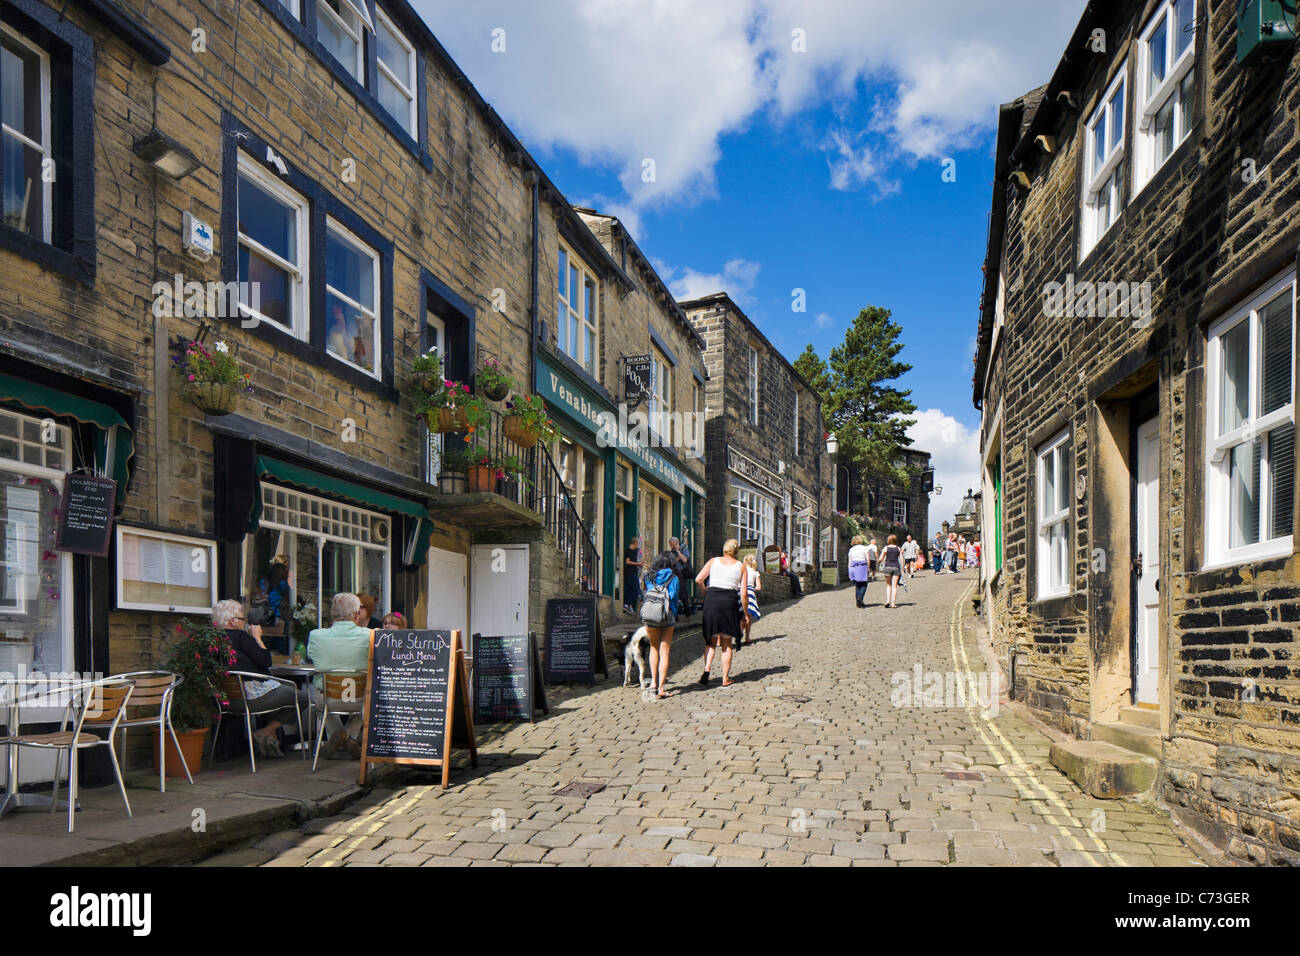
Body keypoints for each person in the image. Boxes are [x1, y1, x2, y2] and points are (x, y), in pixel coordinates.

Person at [213, 599, 310, 758]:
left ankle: (270, 738)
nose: (244, 623)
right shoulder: (240, 637)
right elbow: (266, 661)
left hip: (227, 701)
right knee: (303, 698)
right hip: (250, 698)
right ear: (233, 621)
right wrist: (258, 638)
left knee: (278, 692)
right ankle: (264, 733)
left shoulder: (214, 639)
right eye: (242, 619)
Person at [308, 592, 373, 760]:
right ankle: (347, 737)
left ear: (332, 614)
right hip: (358, 699)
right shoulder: (370, 635)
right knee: (371, 701)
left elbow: (314, 660)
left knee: (319, 699)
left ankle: (339, 737)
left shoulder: (316, 635)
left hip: (328, 698)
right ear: (357, 615)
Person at [694, 538, 748, 687]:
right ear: (736, 551)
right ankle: (725, 678)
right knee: (726, 643)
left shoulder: (713, 561)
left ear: (724, 549)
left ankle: (706, 670)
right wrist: (744, 613)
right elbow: (743, 594)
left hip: (712, 600)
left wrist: (706, 591)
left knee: (711, 641)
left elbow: (698, 579)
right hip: (729, 603)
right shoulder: (741, 566)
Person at [641, 550, 680, 699]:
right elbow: (674, 598)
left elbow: (645, 594)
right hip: (667, 614)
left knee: (653, 648)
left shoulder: (649, 576)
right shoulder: (674, 578)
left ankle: (653, 684)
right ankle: (662, 688)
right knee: (665, 650)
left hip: (650, 615)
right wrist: (674, 614)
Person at [668, 536, 692, 619]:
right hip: (674, 573)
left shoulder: (684, 548)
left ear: (677, 543)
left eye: (673, 545)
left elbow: (685, 559)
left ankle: (687, 612)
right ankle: (675, 615)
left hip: (682, 573)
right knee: (674, 594)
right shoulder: (670, 552)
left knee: (682, 594)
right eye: (671, 545)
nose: (672, 547)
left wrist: (678, 551)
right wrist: (676, 559)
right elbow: (671, 562)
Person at [740, 554, 761, 645]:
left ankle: (739, 635)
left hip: (740, 592)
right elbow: (759, 587)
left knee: (740, 616)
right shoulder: (755, 572)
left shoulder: (740, 570)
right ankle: (747, 638)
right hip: (750, 593)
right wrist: (754, 588)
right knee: (748, 616)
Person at [880, 535, 904, 609]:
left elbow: (880, 558)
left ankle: (888, 601)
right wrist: (902, 569)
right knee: (894, 586)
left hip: (887, 567)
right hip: (896, 567)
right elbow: (902, 559)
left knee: (888, 585)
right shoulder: (898, 548)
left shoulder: (886, 548)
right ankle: (893, 603)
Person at [848, 535, 871, 608]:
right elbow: (868, 558)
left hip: (854, 567)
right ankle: (860, 598)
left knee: (857, 585)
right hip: (862, 566)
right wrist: (868, 567)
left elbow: (850, 560)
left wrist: (850, 570)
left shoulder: (851, 549)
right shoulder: (865, 548)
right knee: (864, 584)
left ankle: (858, 603)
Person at [623, 536, 643, 614]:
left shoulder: (633, 551)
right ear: (635, 543)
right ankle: (626, 604)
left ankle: (628, 606)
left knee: (631, 590)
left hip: (632, 572)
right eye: (638, 544)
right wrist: (638, 564)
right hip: (630, 573)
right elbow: (627, 562)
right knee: (636, 590)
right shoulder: (629, 551)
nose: (638, 545)